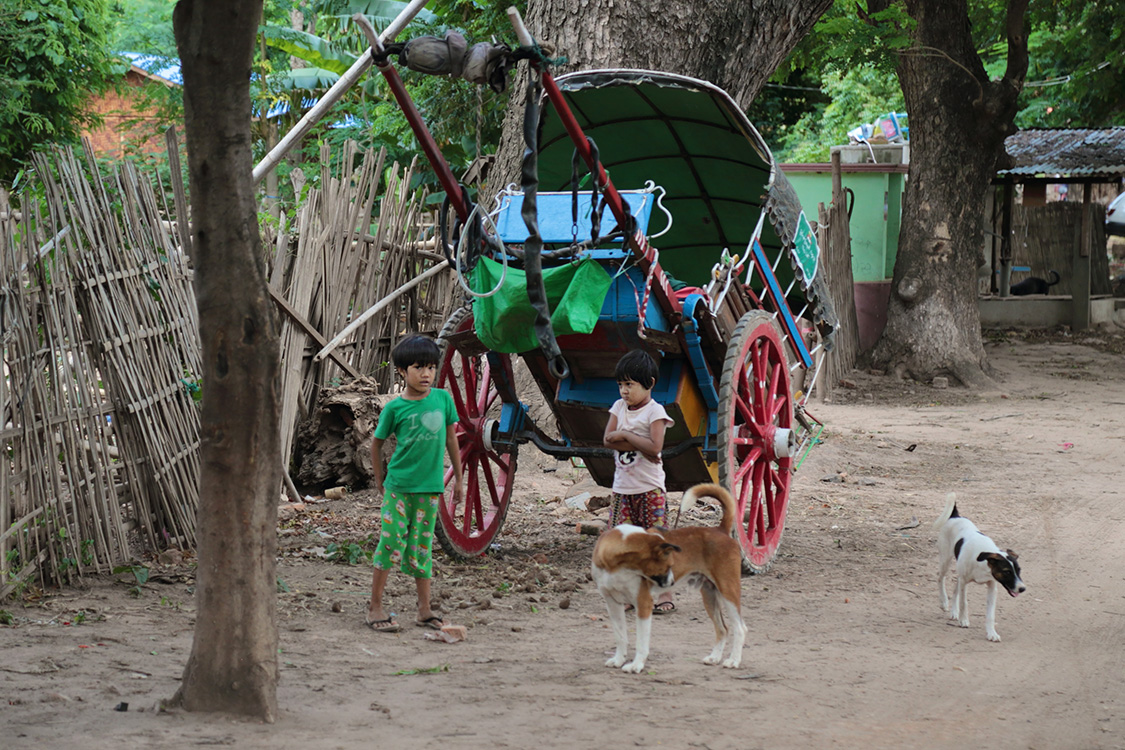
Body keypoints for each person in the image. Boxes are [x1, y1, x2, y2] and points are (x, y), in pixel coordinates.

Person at [366, 334, 463, 632]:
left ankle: (424, 609)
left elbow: (451, 440)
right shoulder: (395, 408)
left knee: (422, 548)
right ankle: (375, 605)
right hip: (399, 487)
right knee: (392, 541)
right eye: (419, 367)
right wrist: (380, 479)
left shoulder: (443, 399)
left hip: (430, 488)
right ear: (402, 371)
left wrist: (459, 479)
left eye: (431, 367)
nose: (426, 374)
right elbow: (376, 444)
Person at [603, 349, 677, 613]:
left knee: (656, 543)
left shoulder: (655, 412)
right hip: (622, 490)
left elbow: (655, 447)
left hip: (650, 490)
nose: (624, 391)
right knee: (624, 545)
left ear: (650, 384)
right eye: (621, 384)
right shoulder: (618, 407)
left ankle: (665, 595)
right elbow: (606, 439)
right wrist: (637, 441)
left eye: (630, 384)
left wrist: (625, 435)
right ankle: (631, 595)